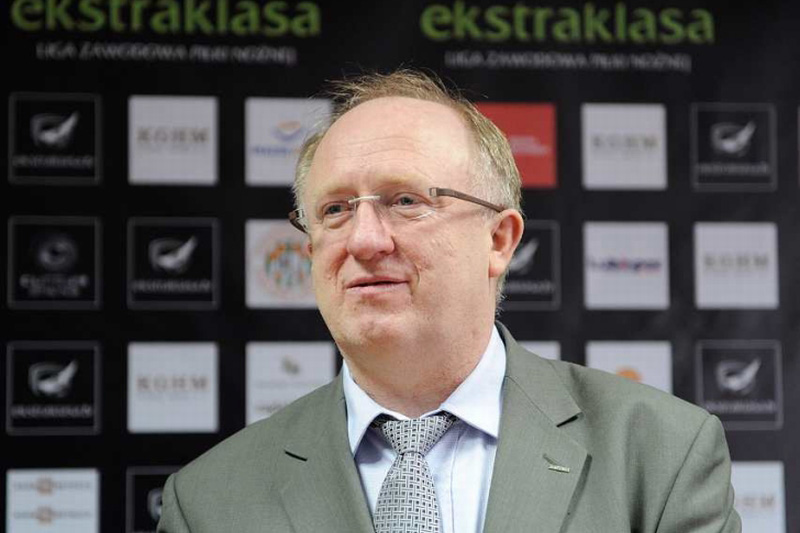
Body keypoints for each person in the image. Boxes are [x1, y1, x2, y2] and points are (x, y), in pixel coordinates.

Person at [157, 69, 741, 533]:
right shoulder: (208, 501)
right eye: (334, 210)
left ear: (498, 240)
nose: (363, 240)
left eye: (406, 201)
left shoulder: (660, 454)